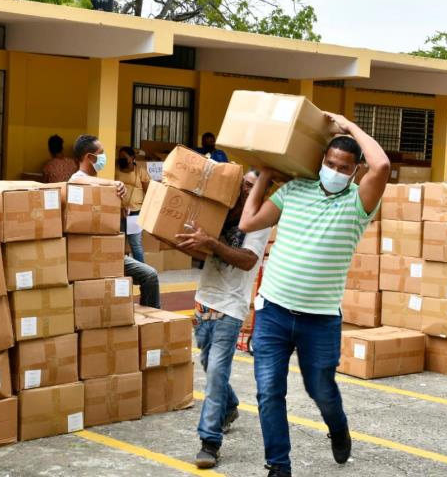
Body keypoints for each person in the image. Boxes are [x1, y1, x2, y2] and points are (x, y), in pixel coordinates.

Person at [239, 113, 390, 476]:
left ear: (355, 172)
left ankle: (338, 428)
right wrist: (264, 175)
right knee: (268, 392)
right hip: (274, 311)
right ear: (321, 161)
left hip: (320, 320)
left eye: (344, 167)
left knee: (320, 389)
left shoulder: (358, 203)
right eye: (330, 163)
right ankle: (279, 465)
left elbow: (381, 164)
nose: (335, 170)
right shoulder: (295, 190)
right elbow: (249, 222)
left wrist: (348, 126)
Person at [171, 170, 270, 470]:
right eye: (243, 185)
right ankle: (229, 408)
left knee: (215, 373)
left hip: (231, 306)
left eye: (253, 187)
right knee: (207, 365)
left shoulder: (260, 221)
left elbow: (247, 260)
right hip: (204, 299)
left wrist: (212, 243)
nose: (245, 191)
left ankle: (209, 442)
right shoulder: (220, 213)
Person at [69, 134, 161, 309]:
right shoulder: (77, 181)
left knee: (150, 275)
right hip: (90, 255)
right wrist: (112, 183)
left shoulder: (100, 187)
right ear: (90, 157)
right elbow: (78, 181)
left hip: (108, 251)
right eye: (101, 153)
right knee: (148, 275)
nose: (105, 158)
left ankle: (152, 320)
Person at [116, 146, 150, 263]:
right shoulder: (115, 170)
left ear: (132, 158)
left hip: (135, 212)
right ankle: (120, 269)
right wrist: (120, 207)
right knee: (118, 242)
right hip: (118, 212)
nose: (121, 159)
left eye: (124, 157)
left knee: (135, 244)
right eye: (120, 157)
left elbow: (148, 191)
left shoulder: (140, 171)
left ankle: (142, 271)